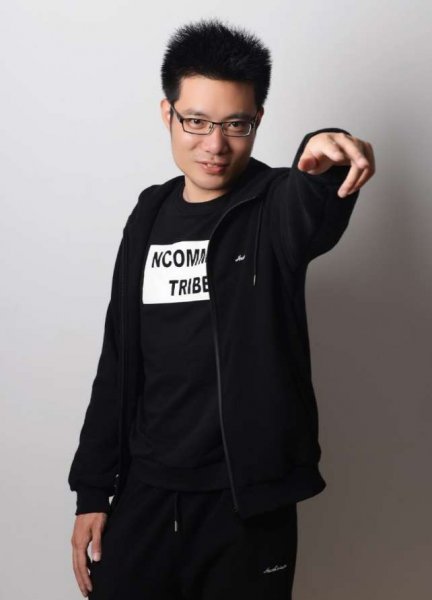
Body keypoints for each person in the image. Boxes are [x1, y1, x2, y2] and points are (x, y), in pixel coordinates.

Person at [68, 17, 375, 600]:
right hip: (143, 493)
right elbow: (119, 359)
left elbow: (311, 205)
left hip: (245, 504)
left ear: (257, 120)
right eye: (197, 121)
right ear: (168, 114)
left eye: (236, 124)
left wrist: (326, 153)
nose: (215, 144)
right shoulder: (148, 215)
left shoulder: (274, 206)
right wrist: (92, 491)